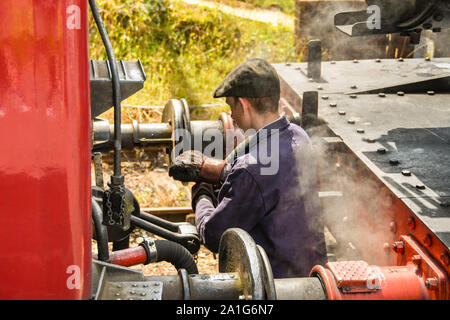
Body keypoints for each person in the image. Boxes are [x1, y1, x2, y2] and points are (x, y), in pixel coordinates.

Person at [169, 58, 327, 278]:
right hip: (311, 276)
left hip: (275, 285)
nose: (231, 115)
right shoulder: (299, 136)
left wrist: (201, 196)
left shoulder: (250, 170)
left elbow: (214, 235)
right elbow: (271, 179)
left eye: (230, 105)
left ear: (243, 104)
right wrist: (216, 170)